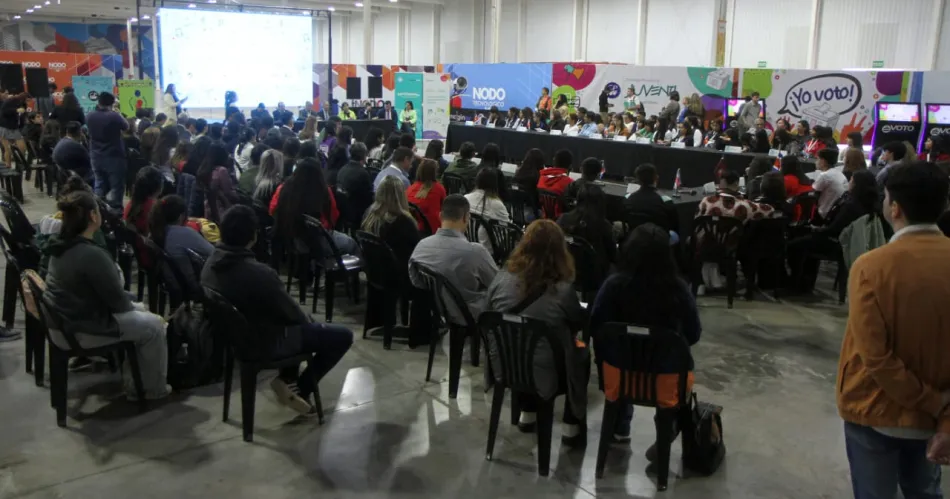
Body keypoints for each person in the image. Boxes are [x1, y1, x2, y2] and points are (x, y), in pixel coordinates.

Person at [837, 161, 950, 499]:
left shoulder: (871, 266)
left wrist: (932, 403)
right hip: (937, 414)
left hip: (875, 410)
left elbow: (875, 357)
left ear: (895, 208)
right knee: (925, 490)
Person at [202, 205, 353, 416]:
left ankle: (287, 379)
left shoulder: (210, 264)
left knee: (297, 322)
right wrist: (308, 321)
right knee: (342, 336)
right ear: (253, 236)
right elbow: (294, 315)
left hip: (234, 340)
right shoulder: (258, 273)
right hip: (266, 342)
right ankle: (301, 388)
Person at [44, 189, 170, 400]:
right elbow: (120, 304)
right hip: (81, 329)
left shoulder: (59, 244)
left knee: (143, 312)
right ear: (93, 216)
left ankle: (137, 380)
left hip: (62, 325)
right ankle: (148, 390)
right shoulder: (90, 254)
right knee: (154, 326)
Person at [589, 223, 700, 442]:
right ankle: (667, 427)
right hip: (666, 378)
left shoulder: (613, 285)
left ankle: (619, 426)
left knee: (621, 355)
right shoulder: (678, 289)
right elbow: (694, 334)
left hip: (618, 374)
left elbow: (596, 326)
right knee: (673, 361)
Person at [484, 219, 589, 444]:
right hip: (546, 372)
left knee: (522, 341)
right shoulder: (563, 290)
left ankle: (527, 412)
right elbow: (577, 322)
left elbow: (487, 312)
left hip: (503, 365)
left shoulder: (501, 278)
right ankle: (571, 425)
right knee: (581, 352)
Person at [786, 170, 881, 292]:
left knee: (794, 244)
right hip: (850, 242)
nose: (848, 183)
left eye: (851, 181)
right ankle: (805, 281)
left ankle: (796, 282)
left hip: (837, 243)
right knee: (806, 238)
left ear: (857, 185)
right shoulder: (870, 205)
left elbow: (833, 229)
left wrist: (815, 230)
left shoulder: (851, 206)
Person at [409, 195, 498, 321]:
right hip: (472, 316)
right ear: (466, 218)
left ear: (440, 216)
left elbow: (417, 282)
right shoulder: (476, 252)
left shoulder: (421, 247)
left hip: (438, 313)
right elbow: (497, 286)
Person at [696, 170, 777, 291]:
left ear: (720, 184)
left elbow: (697, 222)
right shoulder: (744, 206)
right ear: (736, 184)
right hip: (731, 248)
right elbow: (770, 211)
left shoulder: (706, 201)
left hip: (705, 246)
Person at [271, 157, 359, 255]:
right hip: (317, 242)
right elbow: (333, 217)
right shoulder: (324, 190)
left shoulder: (283, 188)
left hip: (288, 238)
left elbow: (272, 210)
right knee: (351, 243)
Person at [148, 194, 213, 295]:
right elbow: (213, 253)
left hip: (173, 282)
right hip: (197, 287)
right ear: (181, 216)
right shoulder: (185, 233)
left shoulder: (156, 232)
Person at [557, 184, 616, 282]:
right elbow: (613, 256)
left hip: (566, 268)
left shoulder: (563, 219)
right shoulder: (604, 225)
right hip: (594, 275)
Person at [86, 92, 129, 210]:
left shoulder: (89, 115)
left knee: (99, 184)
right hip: (113, 156)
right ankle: (116, 212)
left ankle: (98, 210)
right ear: (111, 103)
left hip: (95, 156)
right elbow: (126, 127)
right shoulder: (114, 116)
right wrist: (117, 113)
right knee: (116, 186)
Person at [624, 163, 680, 234]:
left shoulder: (628, 198)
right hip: (659, 238)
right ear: (656, 178)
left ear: (637, 180)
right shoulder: (666, 201)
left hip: (633, 237)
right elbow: (674, 225)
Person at [465, 167, 510, 252]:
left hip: (467, 244)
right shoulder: (496, 204)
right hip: (488, 249)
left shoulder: (466, 198)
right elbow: (506, 230)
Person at [196, 142, 237, 222]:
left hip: (208, 208)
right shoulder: (221, 170)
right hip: (221, 209)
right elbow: (228, 192)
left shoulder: (204, 169)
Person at [406, 159, 446, 235]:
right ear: (435, 172)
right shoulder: (439, 188)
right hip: (433, 229)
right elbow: (445, 208)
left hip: (412, 227)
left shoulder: (411, 188)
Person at [813, 148, 849, 220]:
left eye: (817, 159)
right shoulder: (839, 173)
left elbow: (813, 195)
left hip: (822, 214)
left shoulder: (824, 176)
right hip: (834, 213)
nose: (816, 162)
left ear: (823, 161)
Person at [0, 91, 28, 169]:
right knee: (7, 148)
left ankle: (20, 163)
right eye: (27, 100)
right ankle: (8, 165)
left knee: (22, 147)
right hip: (5, 126)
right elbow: (4, 111)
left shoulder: (23, 104)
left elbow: (22, 115)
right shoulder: (10, 101)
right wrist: (16, 110)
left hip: (14, 127)